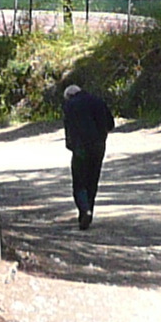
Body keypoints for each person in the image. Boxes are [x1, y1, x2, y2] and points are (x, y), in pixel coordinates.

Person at [60, 75, 116, 228]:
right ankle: (89, 209)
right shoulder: (98, 101)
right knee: (93, 180)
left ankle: (84, 210)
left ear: (69, 96)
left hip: (80, 148)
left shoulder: (69, 106)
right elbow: (111, 124)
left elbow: (68, 130)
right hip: (98, 146)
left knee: (79, 182)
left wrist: (71, 146)